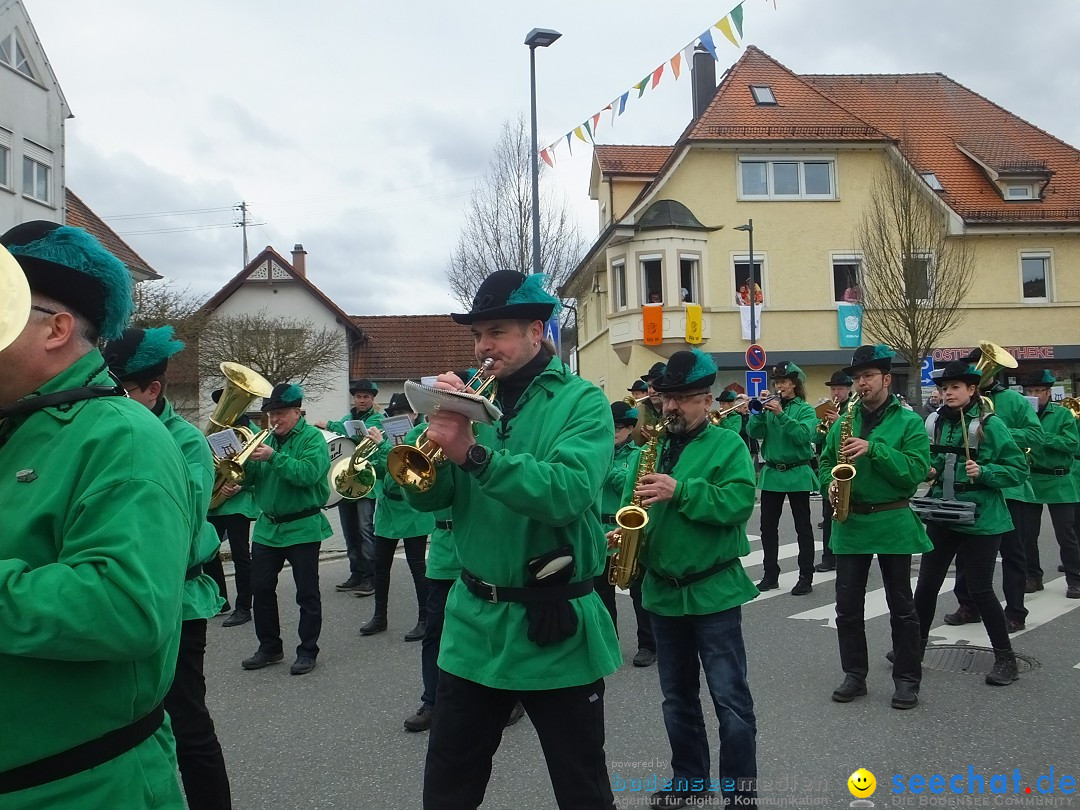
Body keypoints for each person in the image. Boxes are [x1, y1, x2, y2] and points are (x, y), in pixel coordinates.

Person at [403, 270, 621, 810]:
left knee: (581, 785)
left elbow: (568, 493)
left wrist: (474, 454)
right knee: (448, 783)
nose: (483, 347)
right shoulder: (470, 397)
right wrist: (427, 432)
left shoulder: (582, 403)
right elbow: (429, 499)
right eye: (478, 335)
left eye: (496, 332)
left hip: (555, 623)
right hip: (474, 623)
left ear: (536, 330)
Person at [0, 222, 191, 807]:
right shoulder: (19, 426)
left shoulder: (122, 435)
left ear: (56, 328)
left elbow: (128, 607)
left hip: (81, 788)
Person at [614, 350, 759, 809]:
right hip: (661, 592)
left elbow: (737, 504)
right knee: (676, 700)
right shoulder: (647, 450)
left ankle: (741, 795)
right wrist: (620, 535)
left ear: (707, 400)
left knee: (731, 703)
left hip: (713, 591)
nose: (671, 407)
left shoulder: (728, 445)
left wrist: (680, 491)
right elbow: (630, 508)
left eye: (682, 399)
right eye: (665, 399)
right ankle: (689, 782)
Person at [103, 325, 232, 808]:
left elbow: (177, 527)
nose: (107, 399)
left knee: (188, 724)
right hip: (127, 599)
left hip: (178, 601)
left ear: (152, 390)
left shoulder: (186, 443)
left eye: (120, 391)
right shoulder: (112, 429)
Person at [818, 345, 930, 710]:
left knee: (902, 606)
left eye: (867, 377)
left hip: (892, 519)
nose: (861, 384)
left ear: (885, 379)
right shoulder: (843, 420)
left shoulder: (909, 422)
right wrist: (830, 485)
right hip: (850, 522)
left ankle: (907, 679)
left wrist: (875, 450)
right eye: (856, 378)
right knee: (847, 607)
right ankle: (854, 675)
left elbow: (914, 472)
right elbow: (823, 463)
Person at [913, 361, 1028, 687]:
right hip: (944, 512)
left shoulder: (990, 426)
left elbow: (1019, 469)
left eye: (955, 388)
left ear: (972, 390)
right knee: (926, 586)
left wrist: (987, 473)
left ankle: (1006, 659)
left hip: (983, 517)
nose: (948, 393)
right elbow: (935, 460)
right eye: (944, 388)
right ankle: (914, 651)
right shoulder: (936, 423)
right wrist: (931, 471)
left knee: (980, 590)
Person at [234, 383, 332, 676]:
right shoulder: (267, 440)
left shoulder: (313, 438)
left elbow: (308, 474)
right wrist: (240, 472)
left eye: (280, 413)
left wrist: (273, 458)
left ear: (296, 412)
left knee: (307, 593)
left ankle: (307, 651)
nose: (274, 420)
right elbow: (253, 478)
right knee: (260, 588)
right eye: (270, 414)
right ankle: (270, 647)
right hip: (267, 528)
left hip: (302, 526)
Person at [945, 346, 1042, 632]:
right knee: (964, 552)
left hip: (1010, 489)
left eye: (979, 364)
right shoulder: (959, 405)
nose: (976, 368)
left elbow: (1036, 435)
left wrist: (995, 432)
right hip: (973, 489)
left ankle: (1014, 611)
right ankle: (968, 605)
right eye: (973, 364)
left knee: (1013, 553)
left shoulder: (1012, 400)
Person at [359, 395, 432, 641]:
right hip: (388, 508)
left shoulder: (422, 434)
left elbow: (408, 465)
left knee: (417, 567)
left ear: (413, 414)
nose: (398, 417)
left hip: (412, 509)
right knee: (381, 566)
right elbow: (384, 470)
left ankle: (425, 618)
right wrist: (366, 463)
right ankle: (380, 616)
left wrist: (381, 446)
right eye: (394, 413)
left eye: (404, 412)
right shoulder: (387, 436)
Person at [747, 361, 819, 595]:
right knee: (767, 527)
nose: (780, 386)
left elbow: (803, 436)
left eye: (784, 382)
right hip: (772, 473)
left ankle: (805, 576)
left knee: (803, 528)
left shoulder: (805, 410)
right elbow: (754, 433)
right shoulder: (769, 406)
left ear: (795, 384)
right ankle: (770, 574)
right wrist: (757, 413)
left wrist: (781, 415)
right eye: (777, 382)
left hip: (797, 471)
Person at [595, 401, 656, 668]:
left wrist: (604, 464)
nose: (614, 432)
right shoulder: (597, 451)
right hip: (599, 530)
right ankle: (609, 642)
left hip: (627, 530)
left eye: (619, 427)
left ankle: (648, 644)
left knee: (637, 591)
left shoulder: (637, 455)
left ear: (630, 428)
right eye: (611, 426)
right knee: (601, 592)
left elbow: (627, 483)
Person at [317, 378, 382, 596]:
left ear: (373, 399)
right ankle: (356, 572)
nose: (361, 400)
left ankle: (371, 576)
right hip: (345, 482)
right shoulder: (347, 418)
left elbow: (356, 434)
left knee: (365, 529)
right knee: (349, 530)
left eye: (366, 397)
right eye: (358, 396)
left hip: (366, 483)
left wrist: (330, 424)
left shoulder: (378, 419)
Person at [1018, 370, 1080, 599]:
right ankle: (1033, 576)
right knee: (1027, 534)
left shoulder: (1063, 414)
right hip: (1033, 478)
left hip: (1059, 479)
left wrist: (1040, 436)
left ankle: (1075, 578)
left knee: (1066, 534)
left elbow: (1072, 445)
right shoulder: (1023, 415)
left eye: (1038, 391)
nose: (1034, 395)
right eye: (1030, 391)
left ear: (1048, 392)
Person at [206, 388, 260, 627]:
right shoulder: (215, 432)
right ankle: (220, 599)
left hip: (239, 502)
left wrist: (240, 486)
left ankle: (243, 607)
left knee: (240, 555)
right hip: (215, 502)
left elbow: (260, 470)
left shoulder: (252, 432)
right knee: (207, 551)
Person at [814, 371, 854, 573]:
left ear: (848, 390)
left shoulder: (854, 409)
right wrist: (823, 424)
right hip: (831, 466)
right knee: (828, 513)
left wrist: (838, 420)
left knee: (849, 512)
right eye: (833, 389)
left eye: (840, 388)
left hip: (848, 465)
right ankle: (828, 557)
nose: (836, 392)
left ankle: (847, 554)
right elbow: (816, 436)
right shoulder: (826, 409)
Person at [633, 362, 667, 446]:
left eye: (656, 386)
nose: (652, 391)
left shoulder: (674, 411)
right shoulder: (641, 411)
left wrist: (655, 442)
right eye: (649, 386)